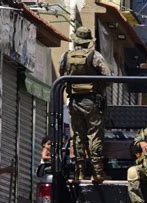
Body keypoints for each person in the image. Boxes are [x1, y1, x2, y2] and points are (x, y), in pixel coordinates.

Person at [59, 26, 112, 182]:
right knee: (94, 135)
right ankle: (97, 172)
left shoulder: (66, 56)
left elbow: (62, 74)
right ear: (89, 41)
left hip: (74, 100)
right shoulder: (94, 56)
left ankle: (79, 172)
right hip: (91, 101)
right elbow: (107, 76)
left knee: (78, 136)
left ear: (76, 40)